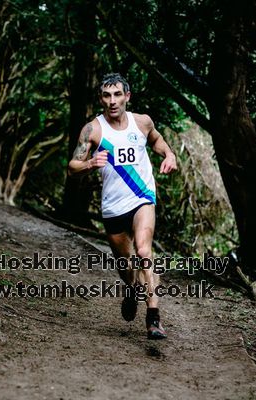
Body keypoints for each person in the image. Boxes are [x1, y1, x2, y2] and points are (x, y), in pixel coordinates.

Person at [67, 73, 177, 339]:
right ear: (101, 99)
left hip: (142, 197)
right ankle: (131, 290)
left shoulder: (142, 122)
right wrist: (90, 164)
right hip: (113, 207)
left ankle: (153, 317)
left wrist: (170, 154)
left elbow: (157, 140)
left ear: (127, 96)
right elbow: (72, 167)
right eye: (107, 95)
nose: (112, 101)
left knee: (143, 251)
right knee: (127, 268)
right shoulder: (93, 129)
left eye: (118, 94)